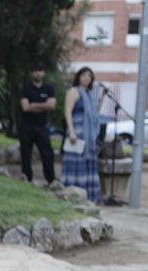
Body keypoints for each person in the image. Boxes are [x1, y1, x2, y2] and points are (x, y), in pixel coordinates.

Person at [62, 66, 106, 203]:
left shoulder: (89, 94)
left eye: (89, 76)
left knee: (88, 165)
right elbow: (67, 111)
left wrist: (102, 97)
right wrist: (71, 131)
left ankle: (88, 196)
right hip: (77, 134)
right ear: (78, 77)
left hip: (89, 138)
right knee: (76, 164)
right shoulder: (74, 92)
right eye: (84, 75)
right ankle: (72, 194)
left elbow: (94, 114)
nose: (87, 78)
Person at [19, 64, 57, 186]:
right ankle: (27, 179)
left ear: (44, 72)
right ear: (31, 73)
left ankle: (51, 180)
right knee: (26, 153)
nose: (38, 73)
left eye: (40, 70)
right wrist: (43, 105)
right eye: (35, 70)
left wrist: (34, 105)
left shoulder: (49, 88)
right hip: (26, 126)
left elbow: (52, 106)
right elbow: (25, 107)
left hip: (42, 126)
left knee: (47, 153)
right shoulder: (26, 89)